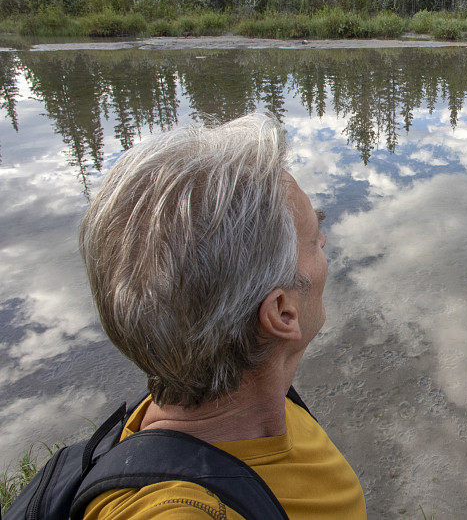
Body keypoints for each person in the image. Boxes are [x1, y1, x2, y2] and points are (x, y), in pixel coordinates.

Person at [77, 113, 366, 519]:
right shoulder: (176, 509)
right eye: (313, 239)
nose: (323, 242)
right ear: (282, 313)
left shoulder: (253, 392)